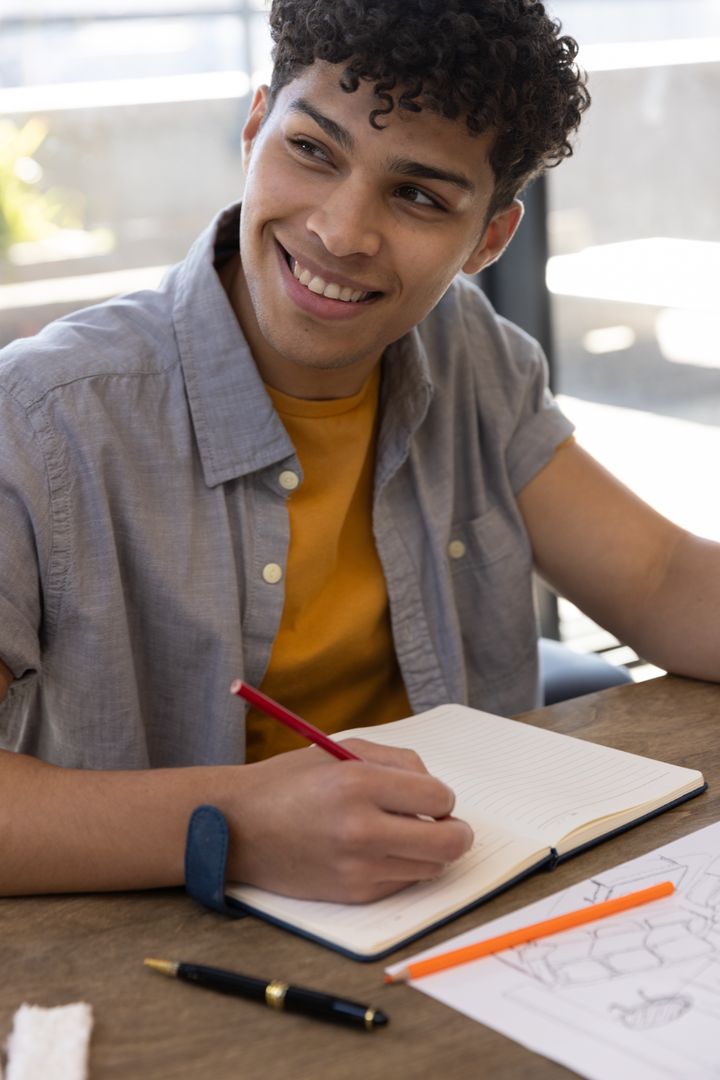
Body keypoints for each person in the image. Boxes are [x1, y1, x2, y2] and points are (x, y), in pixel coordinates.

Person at [1, 0, 718, 901]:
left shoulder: (473, 359)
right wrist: (233, 827)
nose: (341, 232)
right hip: (158, 962)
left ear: (488, 240)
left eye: (419, 195)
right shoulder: (43, 416)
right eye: (312, 151)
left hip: (458, 908)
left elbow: (657, 578)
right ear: (256, 126)